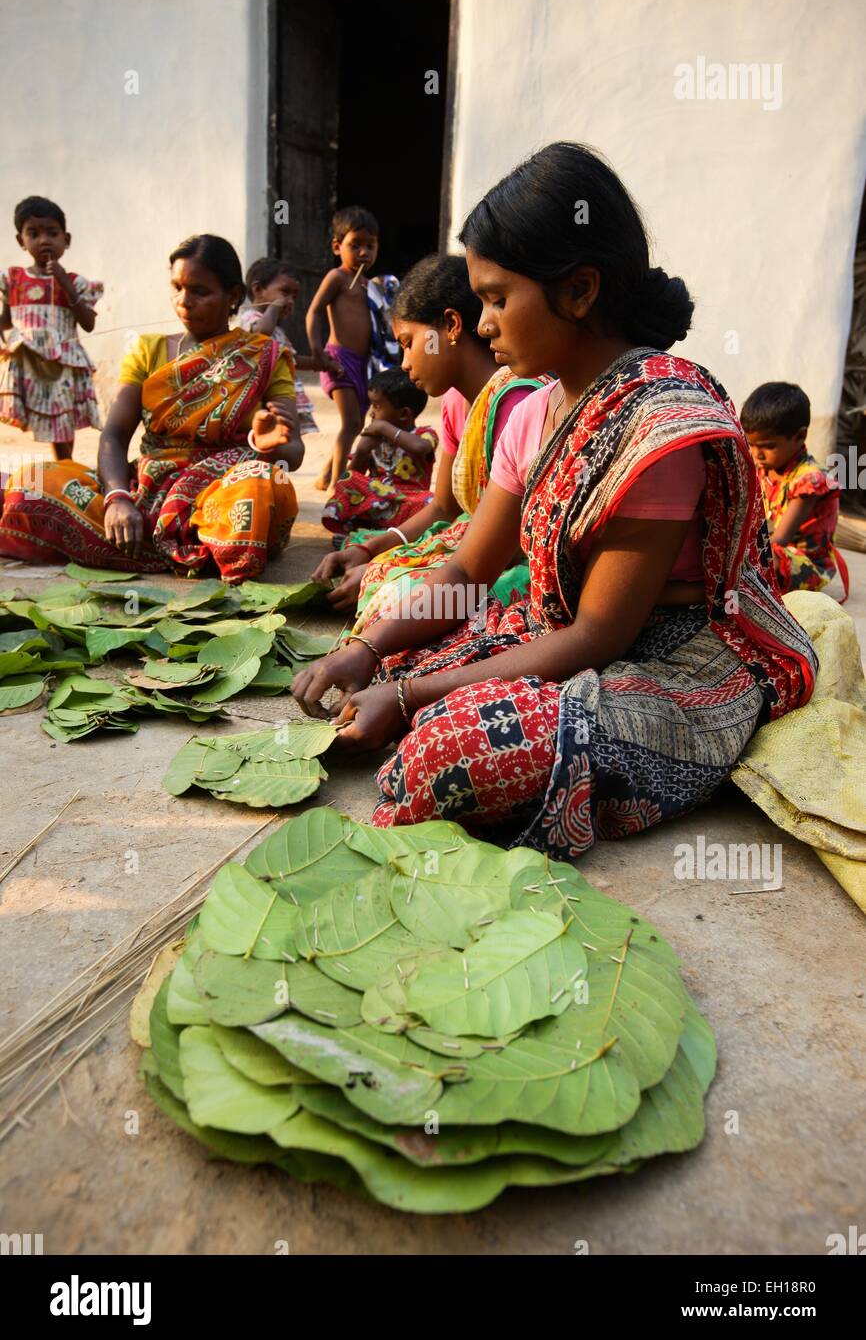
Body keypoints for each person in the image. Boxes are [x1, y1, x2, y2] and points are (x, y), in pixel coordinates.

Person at [293, 142, 817, 859]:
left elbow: (599, 637)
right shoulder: (537, 412)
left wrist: (417, 697)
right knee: (385, 643)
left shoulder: (655, 424)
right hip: (560, 630)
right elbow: (466, 571)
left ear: (578, 291)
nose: (481, 324)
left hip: (672, 665)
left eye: (497, 299)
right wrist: (365, 648)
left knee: (454, 752)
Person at [0, 234, 302, 582]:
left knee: (260, 486)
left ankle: (170, 541)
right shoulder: (148, 349)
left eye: (200, 292)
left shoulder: (264, 356)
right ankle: (172, 541)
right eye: (177, 288)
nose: (183, 302)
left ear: (233, 296)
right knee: (34, 483)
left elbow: (292, 453)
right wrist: (117, 499)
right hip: (149, 489)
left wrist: (267, 446)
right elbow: (114, 433)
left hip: (224, 488)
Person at [311, 253, 548, 625]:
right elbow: (443, 507)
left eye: (408, 342)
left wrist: (389, 572)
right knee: (377, 569)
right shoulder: (456, 402)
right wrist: (372, 549)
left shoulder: (516, 402)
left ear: (451, 326)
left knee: (392, 596)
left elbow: (513, 544)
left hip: (515, 561)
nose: (404, 363)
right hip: (475, 547)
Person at [0, 196, 102, 459]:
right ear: (21, 241)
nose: (44, 240)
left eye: (52, 233)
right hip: (29, 361)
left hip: (62, 362)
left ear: (66, 240)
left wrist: (64, 283)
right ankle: (55, 471)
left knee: (62, 419)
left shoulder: (74, 282)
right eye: (33, 234)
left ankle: (64, 465)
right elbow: (8, 319)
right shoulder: (14, 280)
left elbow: (88, 323)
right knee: (40, 417)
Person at [742, 381, 847, 597]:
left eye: (768, 446)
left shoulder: (811, 480)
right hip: (777, 547)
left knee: (764, 558)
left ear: (800, 436)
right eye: (751, 445)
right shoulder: (767, 468)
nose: (757, 454)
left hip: (806, 562)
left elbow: (780, 539)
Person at [306, 205, 379, 496]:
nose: (364, 252)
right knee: (350, 423)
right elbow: (313, 312)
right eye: (355, 245)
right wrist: (316, 353)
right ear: (337, 247)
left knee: (356, 423)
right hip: (338, 360)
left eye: (370, 245)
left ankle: (325, 475)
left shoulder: (369, 285)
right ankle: (338, 491)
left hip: (363, 364)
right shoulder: (337, 277)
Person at [321, 366, 437, 539]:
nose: (371, 413)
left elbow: (421, 447)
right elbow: (353, 475)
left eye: (376, 406)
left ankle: (379, 535)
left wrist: (384, 428)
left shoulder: (424, 434)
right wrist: (362, 451)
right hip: (376, 501)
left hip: (409, 503)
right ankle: (363, 532)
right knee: (348, 480)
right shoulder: (373, 439)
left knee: (432, 502)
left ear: (404, 414)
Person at [238, 258, 319, 434]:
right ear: (258, 290)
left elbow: (292, 359)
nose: (290, 300)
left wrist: (318, 363)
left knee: (287, 436)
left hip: (286, 393)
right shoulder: (250, 318)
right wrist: (275, 307)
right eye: (285, 292)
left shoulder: (277, 330)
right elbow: (260, 333)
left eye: (294, 297)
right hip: (267, 395)